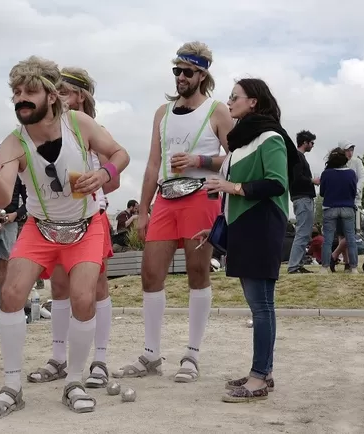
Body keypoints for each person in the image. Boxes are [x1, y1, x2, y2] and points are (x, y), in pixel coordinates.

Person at [0, 56, 129, 419]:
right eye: (17, 92)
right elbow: (2, 196)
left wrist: (105, 174)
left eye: (30, 91)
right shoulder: (13, 143)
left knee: (84, 299)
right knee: (11, 293)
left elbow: (120, 153)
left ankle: (75, 382)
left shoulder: (79, 124)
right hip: (41, 227)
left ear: (51, 95)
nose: (21, 98)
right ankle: (12, 386)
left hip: (86, 226)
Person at [114, 41, 233, 383]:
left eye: (187, 72)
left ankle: (192, 355)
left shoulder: (217, 111)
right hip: (166, 198)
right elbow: (153, 163)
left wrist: (200, 161)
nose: (180, 77)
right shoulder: (161, 114)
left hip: (201, 198)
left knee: (198, 274)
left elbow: (238, 157)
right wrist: (143, 208)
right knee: (150, 275)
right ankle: (151, 354)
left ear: (202, 74)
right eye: (176, 71)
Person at [195, 77, 298, 403]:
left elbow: (277, 183)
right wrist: (215, 227)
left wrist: (234, 188)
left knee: (262, 305)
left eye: (235, 97)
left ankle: (258, 378)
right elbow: (231, 196)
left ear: (253, 101)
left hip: (262, 224)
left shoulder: (271, 137)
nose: (229, 102)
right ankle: (262, 372)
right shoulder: (240, 145)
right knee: (259, 305)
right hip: (243, 225)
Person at [27, 66, 120, 388]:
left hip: (92, 216)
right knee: (60, 286)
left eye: (64, 91)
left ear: (80, 95)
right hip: (55, 219)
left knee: (97, 288)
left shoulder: (94, 129)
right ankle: (59, 358)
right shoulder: (46, 131)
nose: (58, 97)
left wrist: (100, 176)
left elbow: (116, 176)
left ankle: (101, 360)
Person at [319, 147, 358, 274]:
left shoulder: (326, 174)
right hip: (347, 207)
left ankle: (324, 267)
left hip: (330, 207)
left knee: (328, 239)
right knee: (351, 239)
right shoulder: (351, 173)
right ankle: (353, 268)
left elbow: (322, 193)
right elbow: (354, 192)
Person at [330, 140, 364, 270]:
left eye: (351, 150)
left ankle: (334, 256)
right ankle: (347, 261)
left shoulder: (356, 162)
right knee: (341, 233)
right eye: (347, 150)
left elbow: (362, 178)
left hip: (354, 201)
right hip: (340, 201)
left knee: (353, 231)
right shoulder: (337, 164)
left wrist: (356, 190)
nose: (350, 153)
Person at [287, 130, 318, 274]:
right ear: (305, 142)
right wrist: (313, 180)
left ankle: (297, 264)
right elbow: (297, 177)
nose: (312, 145)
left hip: (302, 198)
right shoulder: (297, 157)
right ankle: (294, 266)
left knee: (304, 233)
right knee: (302, 232)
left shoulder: (298, 157)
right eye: (311, 142)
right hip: (302, 198)